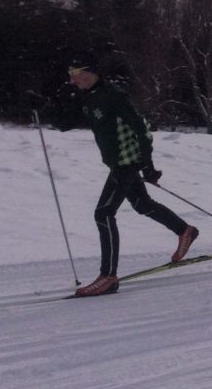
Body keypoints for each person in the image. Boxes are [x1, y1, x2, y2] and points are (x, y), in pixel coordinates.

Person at [54, 53, 198, 296]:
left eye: (76, 75)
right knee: (143, 205)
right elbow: (65, 123)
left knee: (103, 213)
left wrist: (148, 166)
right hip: (116, 162)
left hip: (126, 162)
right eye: (70, 76)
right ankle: (185, 231)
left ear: (91, 73)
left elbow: (142, 129)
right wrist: (43, 110)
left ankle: (108, 276)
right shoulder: (88, 97)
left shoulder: (113, 96)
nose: (73, 80)